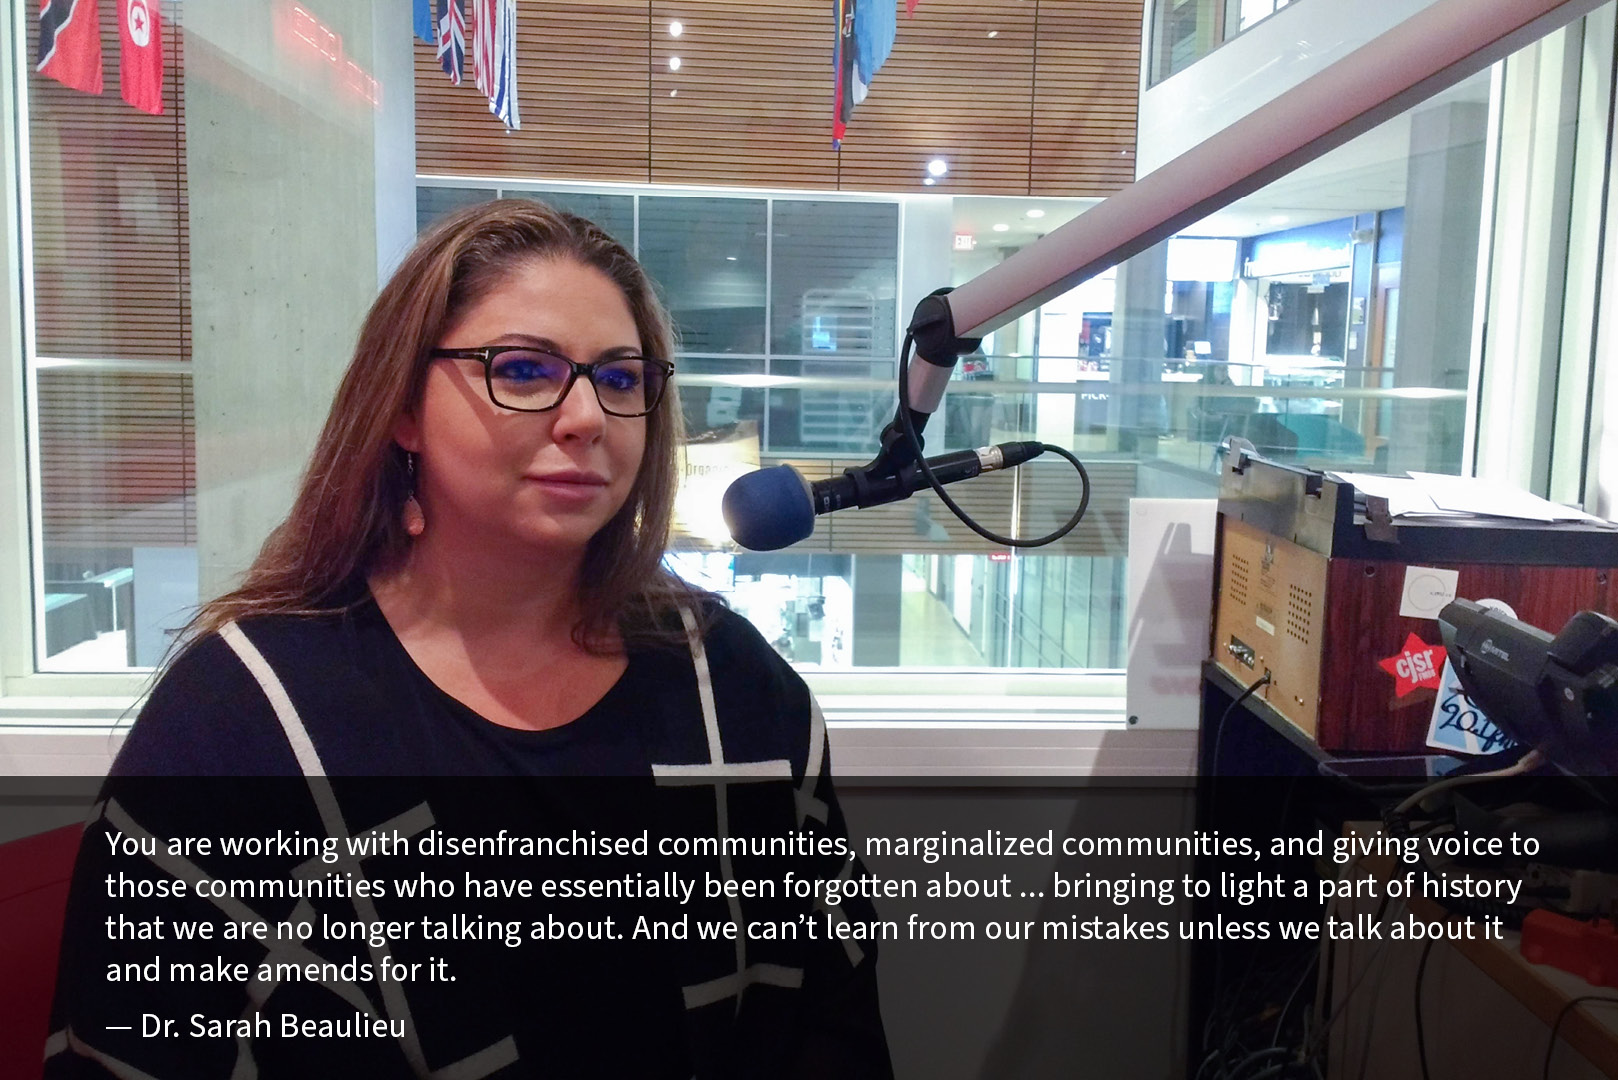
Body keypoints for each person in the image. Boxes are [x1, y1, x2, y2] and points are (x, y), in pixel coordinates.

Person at [44, 200, 892, 1078]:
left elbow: (833, 1028)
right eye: (523, 370)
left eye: (621, 379)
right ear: (403, 409)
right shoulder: (241, 719)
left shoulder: (734, 687)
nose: (586, 418)